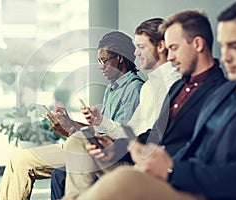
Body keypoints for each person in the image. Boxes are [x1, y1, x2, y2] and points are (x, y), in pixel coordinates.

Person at [64, 3, 236, 199]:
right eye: (223, 46)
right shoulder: (198, 90)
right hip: (160, 164)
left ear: (198, 45)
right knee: (79, 142)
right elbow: (154, 132)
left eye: (173, 48)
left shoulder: (216, 90)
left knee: (121, 179)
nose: (225, 56)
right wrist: (118, 145)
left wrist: (171, 169)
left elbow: (194, 147)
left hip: (181, 175)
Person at [0, 31, 143, 200]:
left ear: (119, 58)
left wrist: (73, 130)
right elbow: (100, 130)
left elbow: (117, 138)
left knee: (21, 161)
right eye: (98, 61)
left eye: (104, 60)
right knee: (18, 158)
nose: (100, 66)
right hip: (84, 146)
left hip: (95, 154)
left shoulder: (134, 89)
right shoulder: (113, 87)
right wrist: (68, 124)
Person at [50, 18, 181, 199]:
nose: (135, 53)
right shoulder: (149, 86)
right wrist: (101, 122)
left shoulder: (172, 84)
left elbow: (155, 135)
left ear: (160, 46)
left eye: (141, 47)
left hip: (136, 159)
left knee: (69, 158)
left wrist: (121, 145)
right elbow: (132, 129)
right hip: (127, 151)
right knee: (77, 141)